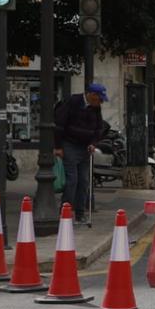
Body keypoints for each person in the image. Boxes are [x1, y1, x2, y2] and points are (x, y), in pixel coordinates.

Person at [55, 83, 107, 224]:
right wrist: (58, 146)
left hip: (85, 147)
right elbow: (59, 123)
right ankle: (65, 212)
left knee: (84, 181)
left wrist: (93, 143)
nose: (100, 102)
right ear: (91, 95)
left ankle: (80, 213)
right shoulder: (73, 101)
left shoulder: (95, 108)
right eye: (99, 99)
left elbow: (98, 127)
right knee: (72, 180)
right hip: (70, 144)